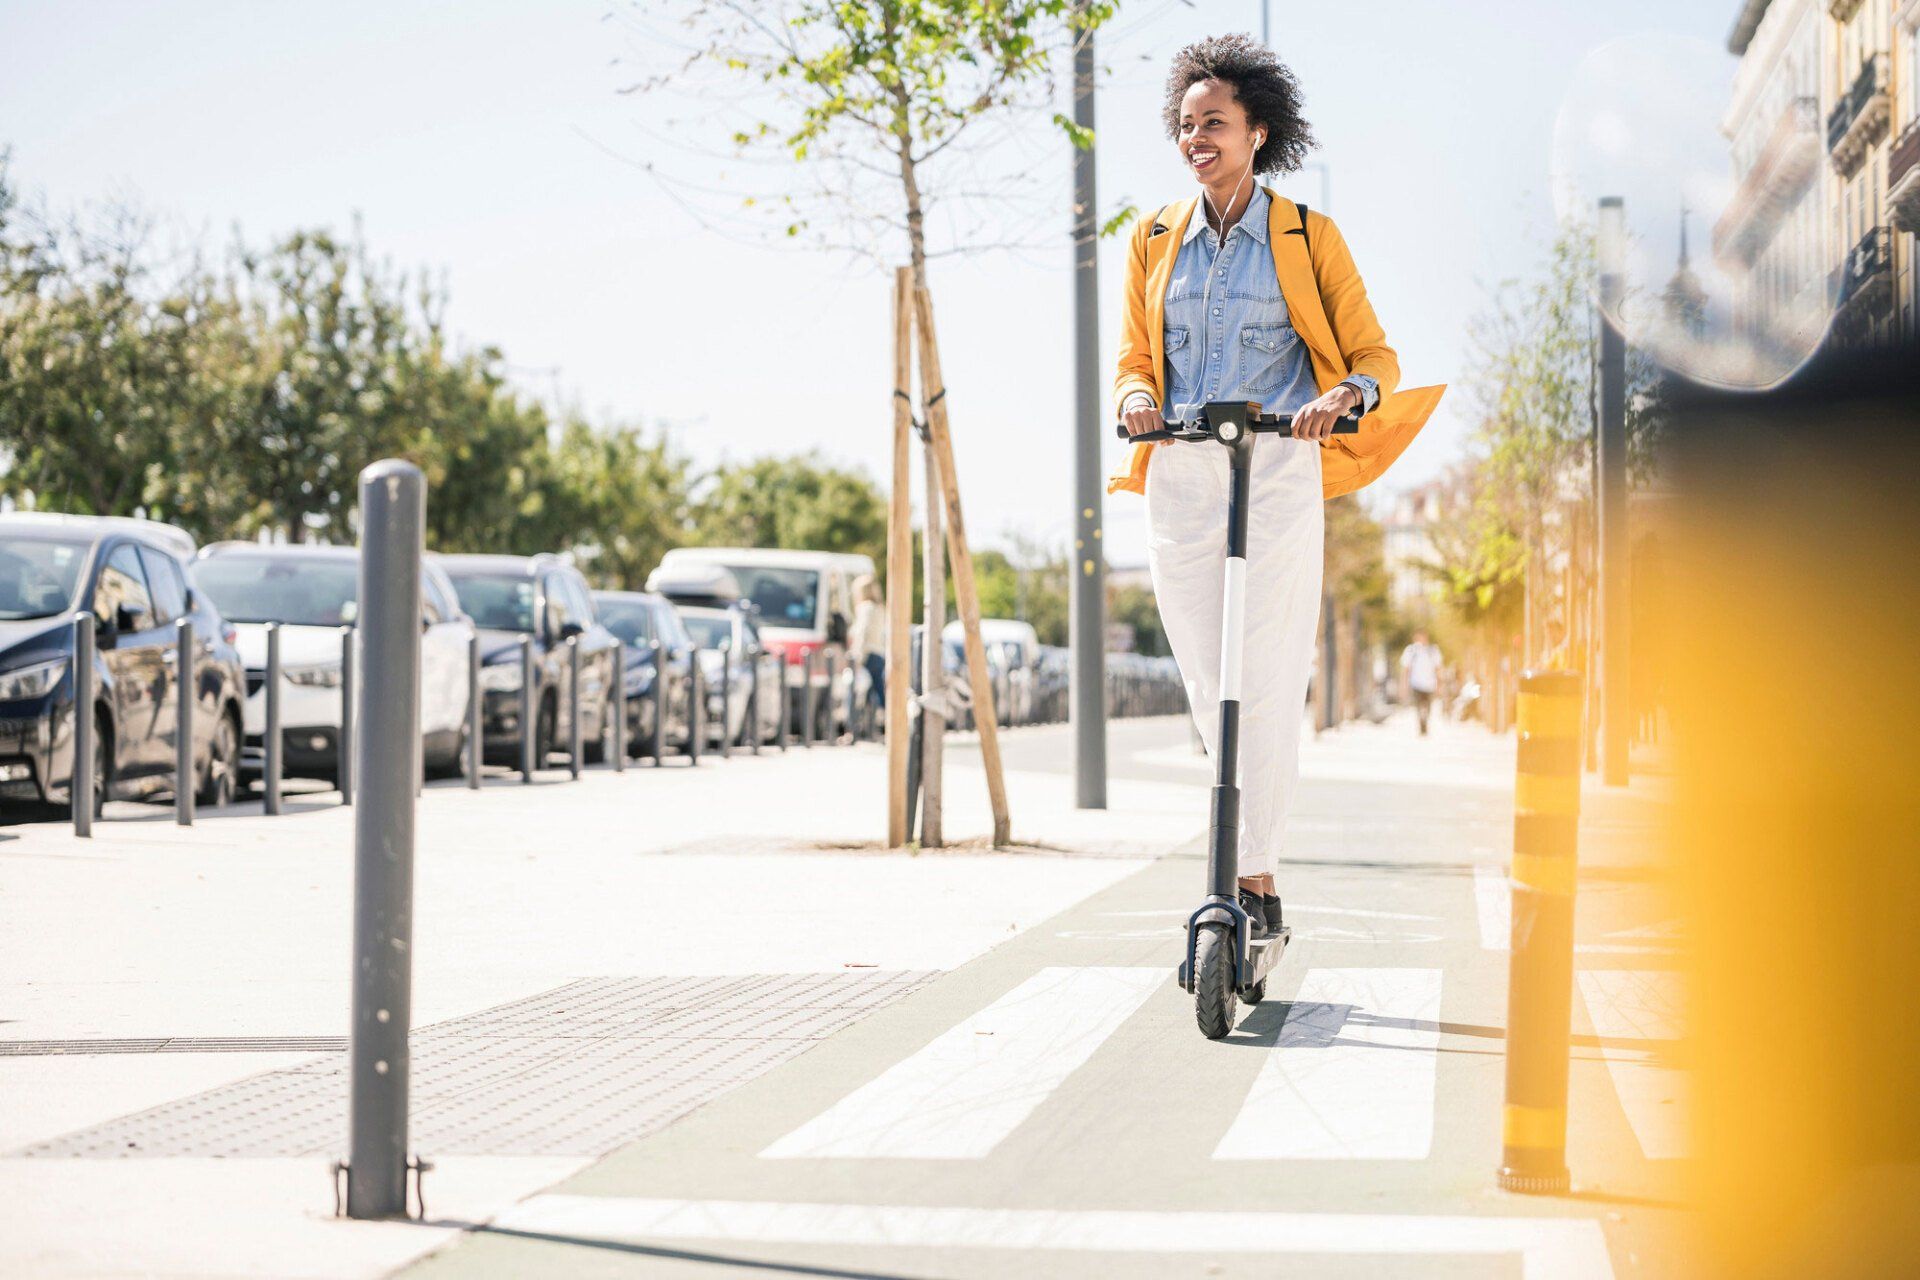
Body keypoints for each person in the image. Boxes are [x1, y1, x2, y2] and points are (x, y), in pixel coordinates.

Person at [1112, 35, 1435, 940]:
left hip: (1280, 464)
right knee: (1207, 671)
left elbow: (1376, 356)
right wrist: (1139, 399)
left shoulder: (1307, 236)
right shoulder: (1152, 238)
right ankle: (1247, 875)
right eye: (1186, 126)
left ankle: (1252, 876)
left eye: (1213, 123)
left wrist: (1344, 395)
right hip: (1182, 465)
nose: (1196, 139)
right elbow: (1135, 361)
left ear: (1258, 130)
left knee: (1267, 675)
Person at [849, 574, 887, 719]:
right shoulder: (879, 608)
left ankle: (853, 728)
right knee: (876, 692)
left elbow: (862, 634)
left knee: (857, 693)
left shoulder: (865, 608)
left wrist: (858, 657)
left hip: (867, 654)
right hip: (878, 653)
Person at [1400, 630, 1442, 736]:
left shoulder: (1433, 650)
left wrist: (1439, 684)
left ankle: (1425, 721)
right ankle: (1421, 724)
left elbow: (1438, 669)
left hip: (1430, 684)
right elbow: (1406, 669)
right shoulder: (1410, 651)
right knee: (1418, 706)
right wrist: (1404, 685)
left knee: (1428, 707)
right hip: (1416, 684)